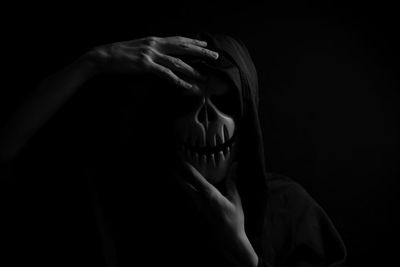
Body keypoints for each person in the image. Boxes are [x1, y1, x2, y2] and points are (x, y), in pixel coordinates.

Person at [0, 32, 346, 267]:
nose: (207, 117)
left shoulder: (292, 211)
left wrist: (244, 257)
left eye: (225, 100)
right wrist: (93, 61)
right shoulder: (121, 199)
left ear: (247, 115)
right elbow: (5, 152)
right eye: (186, 99)